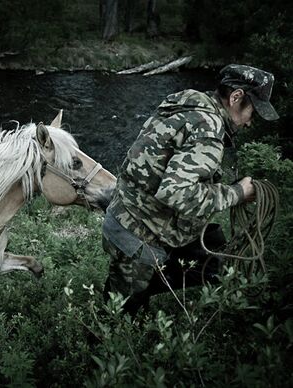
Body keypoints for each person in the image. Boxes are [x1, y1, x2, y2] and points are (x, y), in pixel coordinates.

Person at [102, 64, 279, 314]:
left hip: (130, 218)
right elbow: (174, 192)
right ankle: (117, 311)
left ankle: (131, 286)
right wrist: (238, 193)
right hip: (137, 235)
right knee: (119, 314)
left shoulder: (189, 103)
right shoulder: (208, 129)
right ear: (236, 96)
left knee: (215, 259)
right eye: (253, 111)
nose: (251, 122)